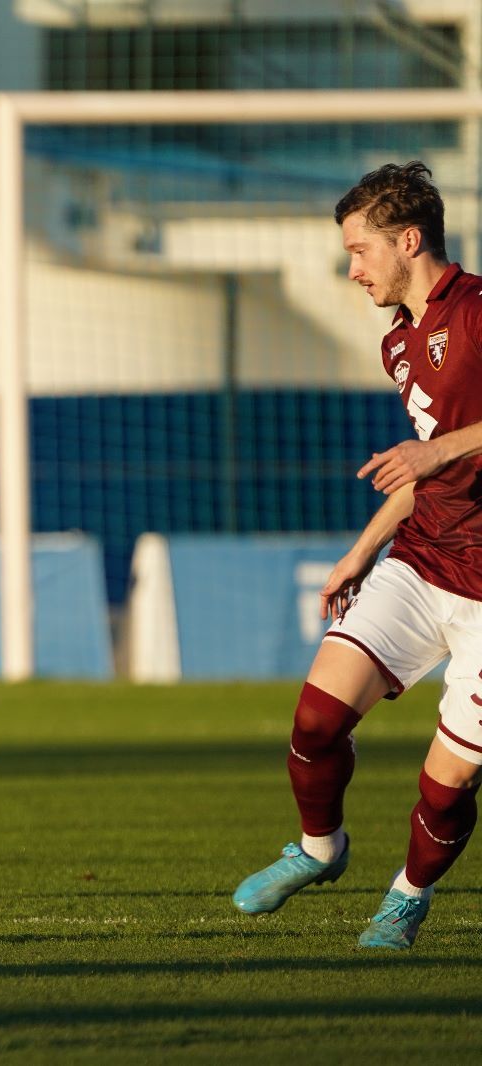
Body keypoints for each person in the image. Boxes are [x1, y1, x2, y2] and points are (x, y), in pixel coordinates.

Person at [232, 161, 482, 950]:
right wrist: (358, 553)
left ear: (410, 241)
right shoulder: (400, 345)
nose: (353, 270)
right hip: (422, 559)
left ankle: (407, 897)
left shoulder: (476, 312)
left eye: (360, 250)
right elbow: (422, 468)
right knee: (314, 720)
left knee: (446, 784)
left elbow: (435, 455)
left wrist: (439, 455)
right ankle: (319, 849)